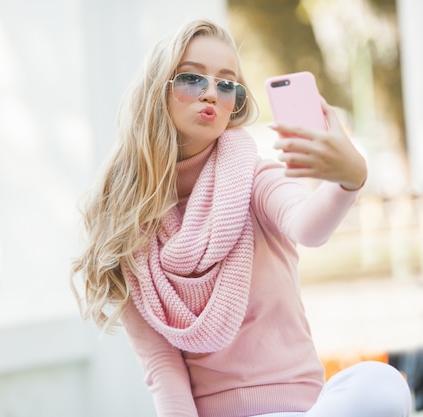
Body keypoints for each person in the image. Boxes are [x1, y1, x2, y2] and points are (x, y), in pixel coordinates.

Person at [70, 18, 412, 417]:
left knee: (381, 384)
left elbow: (308, 226)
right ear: (156, 92)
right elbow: (164, 373)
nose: (212, 93)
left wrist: (349, 179)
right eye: (192, 79)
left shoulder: (256, 175)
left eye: (227, 84)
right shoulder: (126, 225)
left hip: (306, 409)